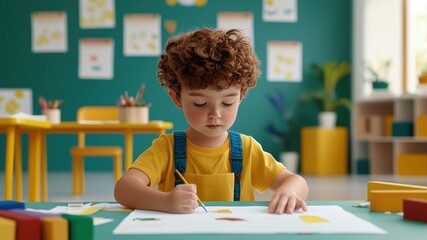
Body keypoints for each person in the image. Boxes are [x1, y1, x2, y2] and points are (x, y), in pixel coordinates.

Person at [114, 28, 308, 214]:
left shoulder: (248, 149)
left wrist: (288, 192)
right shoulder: (166, 149)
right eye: (200, 103)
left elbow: (296, 181)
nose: (215, 113)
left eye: (227, 102)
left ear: (240, 97)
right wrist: (165, 201)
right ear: (177, 98)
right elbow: (124, 189)